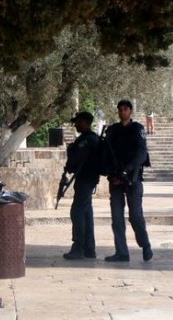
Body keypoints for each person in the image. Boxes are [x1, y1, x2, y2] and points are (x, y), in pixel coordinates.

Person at [105, 100, 153, 262]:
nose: (122, 112)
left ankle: (145, 245)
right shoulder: (113, 131)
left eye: (125, 109)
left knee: (135, 216)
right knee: (117, 218)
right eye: (119, 109)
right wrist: (112, 174)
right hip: (116, 180)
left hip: (133, 178)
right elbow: (106, 154)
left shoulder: (137, 129)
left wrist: (127, 170)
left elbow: (141, 153)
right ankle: (121, 252)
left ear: (130, 111)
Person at [63, 111, 101, 260]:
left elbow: (74, 161)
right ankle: (89, 249)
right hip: (87, 179)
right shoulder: (88, 139)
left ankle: (78, 247)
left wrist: (71, 150)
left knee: (77, 212)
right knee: (86, 213)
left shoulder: (87, 140)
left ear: (85, 122)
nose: (76, 124)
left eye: (78, 122)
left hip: (86, 179)